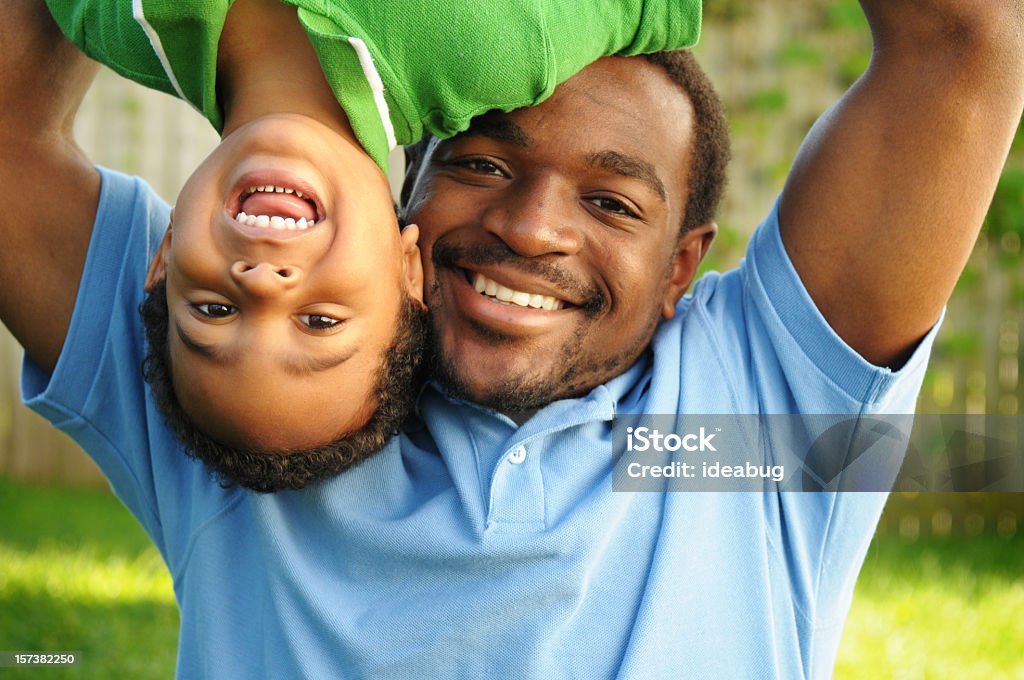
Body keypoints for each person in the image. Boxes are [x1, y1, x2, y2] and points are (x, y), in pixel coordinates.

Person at [4, 3, 1022, 680]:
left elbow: (963, 42)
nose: (532, 228)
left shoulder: (744, 425)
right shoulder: (231, 406)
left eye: (612, 203)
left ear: (681, 266)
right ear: (405, 207)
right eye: (485, 166)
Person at [29, 0, 702, 490]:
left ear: (166, 253)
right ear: (406, 269)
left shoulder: (114, 18)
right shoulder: (490, 48)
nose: (263, 283)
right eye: (320, 323)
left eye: (213, 310)